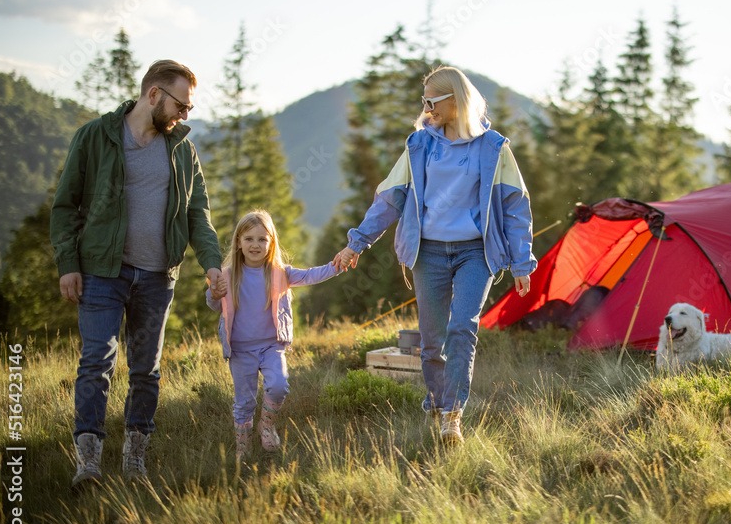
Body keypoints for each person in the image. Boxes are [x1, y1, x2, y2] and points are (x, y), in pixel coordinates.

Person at [333, 66, 536, 445]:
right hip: (429, 254)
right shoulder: (419, 146)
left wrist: (522, 261)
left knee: (463, 326)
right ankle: (439, 401)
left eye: (432, 100)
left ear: (455, 100)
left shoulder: (493, 147)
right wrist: (356, 242)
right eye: (424, 101)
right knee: (431, 340)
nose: (426, 108)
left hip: (476, 252)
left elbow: (514, 205)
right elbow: (389, 200)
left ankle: (451, 414)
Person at [51, 59, 226, 487]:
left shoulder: (182, 148)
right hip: (101, 273)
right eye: (181, 105)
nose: (186, 114)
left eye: (188, 107)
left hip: (156, 277)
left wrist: (212, 263)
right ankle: (88, 461)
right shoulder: (95, 137)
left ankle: (134, 459)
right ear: (154, 95)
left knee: (146, 370)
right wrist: (68, 264)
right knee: (97, 362)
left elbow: (197, 214)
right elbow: (65, 206)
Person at [207, 210, 343, 458]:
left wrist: (337, 266)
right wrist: (214, 294)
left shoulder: (281, 273)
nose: (255, 245)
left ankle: (266, 424)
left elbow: (312, 275)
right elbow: (215, 303)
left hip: (271, 346)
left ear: (271, 243)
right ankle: (243, 447)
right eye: (249, 239)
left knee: (279, 386)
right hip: (240, 349)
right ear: (238, 242)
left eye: (262, 239)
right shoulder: (228, 275)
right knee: (244, 401)